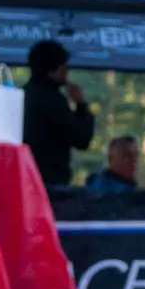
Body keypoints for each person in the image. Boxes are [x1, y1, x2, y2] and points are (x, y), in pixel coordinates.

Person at [21, 39, 94, 187]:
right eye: (64, 67)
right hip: (50, 180)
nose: (67, 72)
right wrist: (81, 105)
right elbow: (81, 139)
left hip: (24, 175)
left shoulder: (22, 95)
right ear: (54, 69)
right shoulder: (53, 101)